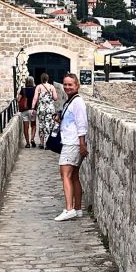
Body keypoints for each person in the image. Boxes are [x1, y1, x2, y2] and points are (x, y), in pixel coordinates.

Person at [54, 73, 88, 222]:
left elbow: (82, 124)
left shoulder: (78, 102)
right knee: (74, 176)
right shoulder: (70, 101)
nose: (67, 87)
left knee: (65, 175)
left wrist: (82, 143)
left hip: (72, 143)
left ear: (77, 86)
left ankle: (69, 209)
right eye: (65, 84)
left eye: (70, 85)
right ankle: (78, 209)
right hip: (71, 141)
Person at [32, 73, 58, 149]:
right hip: (50, 109)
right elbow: (55, 98)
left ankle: (41, 143)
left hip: (41, 109)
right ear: (48, 78)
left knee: (41, 125)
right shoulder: (51, 87)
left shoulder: (38, 87)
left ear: (41, 79)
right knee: (49, 125)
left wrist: (33, 108)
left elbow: (35, 98)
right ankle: (48, 143)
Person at [17, 76, 37, 148]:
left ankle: (27, 143)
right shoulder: (35, 89)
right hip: (33, 110)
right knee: (33, 125)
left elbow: (18, 99)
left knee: (26, 127)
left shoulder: (23, 90)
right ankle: (32, 139)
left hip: (24, 110)